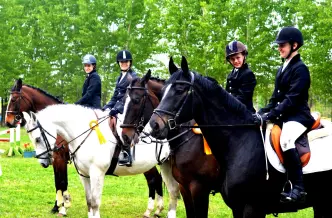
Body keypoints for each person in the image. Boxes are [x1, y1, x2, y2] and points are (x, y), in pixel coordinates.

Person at [256, 27, 315, 203]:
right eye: (279, 45)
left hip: (298, 116)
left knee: (286, 139)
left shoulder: (301, 69)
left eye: (282, 45)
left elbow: (291, 100)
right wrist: (261, 112)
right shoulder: (281, 68)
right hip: (284, 116)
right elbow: (276, 98)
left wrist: (271, 115)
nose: (279, 48)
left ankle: (298, 188)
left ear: (294, 45)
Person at [103, 50, 138, 166]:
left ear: (130, 63)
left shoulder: (133, 77)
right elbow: (115, 96)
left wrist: (116, 109)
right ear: (119, 63)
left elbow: (127, 97)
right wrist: (107, 106)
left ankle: (126, 153)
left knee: (120, 125)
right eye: (122, 62)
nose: (124, 63)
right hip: (118, 106)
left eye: (126, 62)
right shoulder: (120, 78)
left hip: (127, 108)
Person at [225, 40, 257, 113]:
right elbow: (227, 93)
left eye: (238, 57)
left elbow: (242, 98)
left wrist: (226, 104)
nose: (235, 61)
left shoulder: (248, 74)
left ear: (244, 56)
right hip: (232, 110)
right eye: (232, 59)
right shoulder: (231, 75)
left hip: (244, 113)